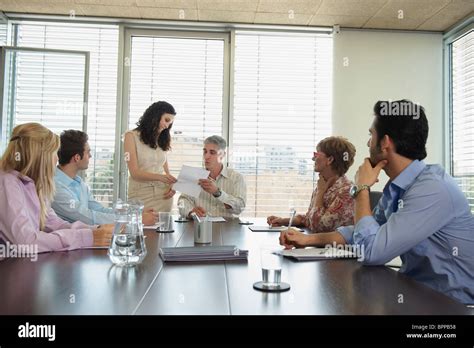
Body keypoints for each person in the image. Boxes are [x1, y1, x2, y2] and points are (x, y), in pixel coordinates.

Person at [280, 100, 474, 304]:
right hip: (414, 293)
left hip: (451, 305)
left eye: (371, 135)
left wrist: (361, 188)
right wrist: (306, 240)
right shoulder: (398, 186)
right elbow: (360, 233)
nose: (367, 143)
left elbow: (370, 251)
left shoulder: (433, 189)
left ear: (385, 142)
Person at [0, 123, 113, 253]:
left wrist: (96, 230)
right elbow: (27, 242)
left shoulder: (35, 185)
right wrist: (87, 237)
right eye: (54, 153)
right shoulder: (7, 183)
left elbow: (55, 224)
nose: (57, 158)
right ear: (40, 156)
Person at [52, 130, 157, 225]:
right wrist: (135, 219)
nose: (90, 156)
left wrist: (135, 212)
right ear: (77, 157)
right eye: (88, 152)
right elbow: (87, 217)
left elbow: (98, 209)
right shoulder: (56, 186)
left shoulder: (79, 183)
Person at [267, 136, 356, 233]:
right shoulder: (323, 184)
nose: (313, 158)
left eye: (316, 154)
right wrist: (283, 221)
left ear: (329, 160)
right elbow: (310, 218)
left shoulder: (346, 191)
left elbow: (318, 226)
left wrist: (321, 192)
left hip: (333, 247)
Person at [124, 101, 177, 212]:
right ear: (155, 115)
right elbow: (135, 173)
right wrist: (161, 177)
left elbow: (166, 171)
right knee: (141, 227)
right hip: (141, 195)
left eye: (170, 123)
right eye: (166, 120)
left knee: (163, 228)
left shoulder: (162, 139)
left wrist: (171, 185)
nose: (167, 126)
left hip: (163, 195)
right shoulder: (131, 136)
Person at [178, 135, 246, 218]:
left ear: (222, 155)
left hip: (227, 228)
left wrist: (217, 193)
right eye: (205, 152)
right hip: (199, 227)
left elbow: (240, 208)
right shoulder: (193, 175)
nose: (206, 156)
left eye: (212, 152)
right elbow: (182, 201)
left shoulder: (237, 177)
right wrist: (190, 211)